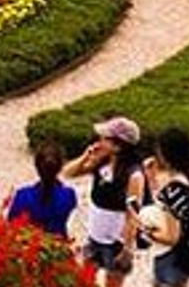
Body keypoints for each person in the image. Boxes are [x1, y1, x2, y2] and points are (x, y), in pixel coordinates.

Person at [64, 116, 148, 286]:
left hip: (116, 243)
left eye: (105, 138)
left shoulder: (134, 175)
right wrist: (85, 156)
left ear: (118, 146)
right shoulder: (102, 161)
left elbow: (133, 215)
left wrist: (128, 249)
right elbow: (68, 173)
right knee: (85, 279)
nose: (100, 141)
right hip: (94, 236)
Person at [141, 128, 189, 287]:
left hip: (172, 258)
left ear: (165, 154)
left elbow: (171, 238)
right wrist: (151, 176)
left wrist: (146, 230)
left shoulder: (173, 188)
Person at [5, 142, 78, 239]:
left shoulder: (22, 196)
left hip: (28, 248)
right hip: (57, 248)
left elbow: (11, 224)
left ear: (36, 166)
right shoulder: (69, 195)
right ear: (60, 167)